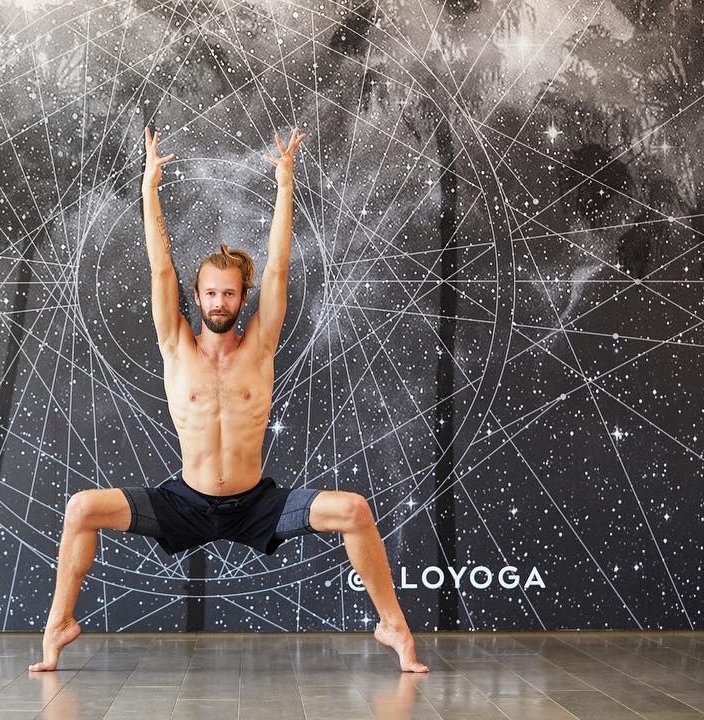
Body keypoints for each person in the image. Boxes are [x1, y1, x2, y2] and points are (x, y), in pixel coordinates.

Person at [29, 127, 428, 673]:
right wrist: (149, 187)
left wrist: (285, 183)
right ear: (196, 297)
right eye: (211, 292)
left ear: (243, 298)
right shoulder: (175, 343)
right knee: (81, 509)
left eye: (230, 292)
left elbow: (279, 267)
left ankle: (393, 627)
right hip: (185, 503)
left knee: (355, 510)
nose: (220, 301)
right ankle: (59, 625)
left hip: (254, 504)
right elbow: (160, 266)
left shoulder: (260, 346)